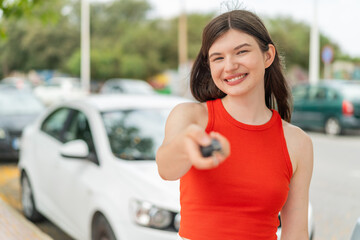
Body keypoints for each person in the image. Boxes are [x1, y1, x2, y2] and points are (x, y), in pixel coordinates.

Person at [156, 9, 313, 240]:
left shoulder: (298, 142)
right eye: (218, 58)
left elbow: (296, 233)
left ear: (268, 55)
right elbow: (166, 169)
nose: (229, 66)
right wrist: (188, 143)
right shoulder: (191, 117)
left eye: (241, 52)